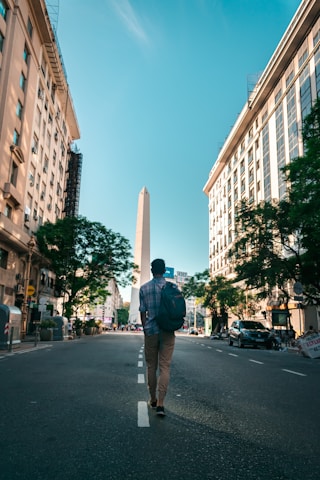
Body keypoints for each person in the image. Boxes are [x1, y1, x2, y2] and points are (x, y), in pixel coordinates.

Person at [139, 258, 175, 416]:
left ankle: (152, 399)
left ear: (152, 270)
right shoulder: (172, 287)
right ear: (165, 269)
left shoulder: (144, 288)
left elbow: (142, 311)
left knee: (151, 367)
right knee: (165, 367)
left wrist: (146, 327)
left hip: (151, 331)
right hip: (167, 331)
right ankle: (161, 404)